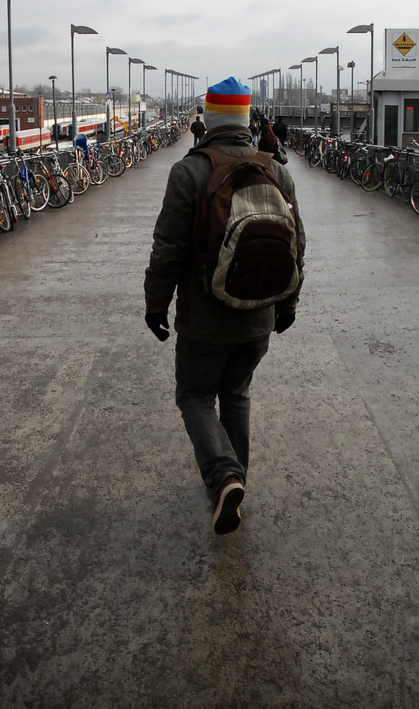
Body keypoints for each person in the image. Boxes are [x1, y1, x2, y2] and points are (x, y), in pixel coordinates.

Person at [144, 76, 305, 536]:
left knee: (194, 396)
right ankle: (235, 484)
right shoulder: (277, 169)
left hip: (205, 316)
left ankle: (224, 477)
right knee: (236, 394)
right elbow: (298, 245)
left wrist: (156, 305)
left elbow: (168, 249)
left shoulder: (190, 172)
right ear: (247, 119)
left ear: (209, 119)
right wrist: (288, 304)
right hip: (260, 313)